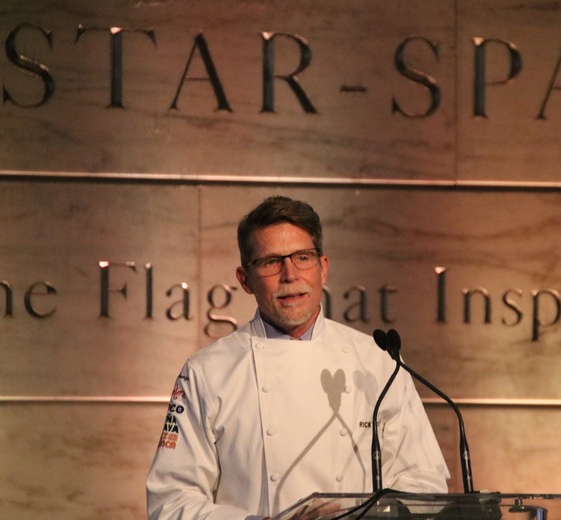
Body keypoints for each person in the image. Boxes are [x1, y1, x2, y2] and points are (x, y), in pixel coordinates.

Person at [146, 195, 450, 520]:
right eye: (270, 262)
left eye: (303, 257)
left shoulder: (378, 363)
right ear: (244, 280)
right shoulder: (207, 372)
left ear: (323, 268)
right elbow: (172, 501)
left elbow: (424, 483)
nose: (290, 275)